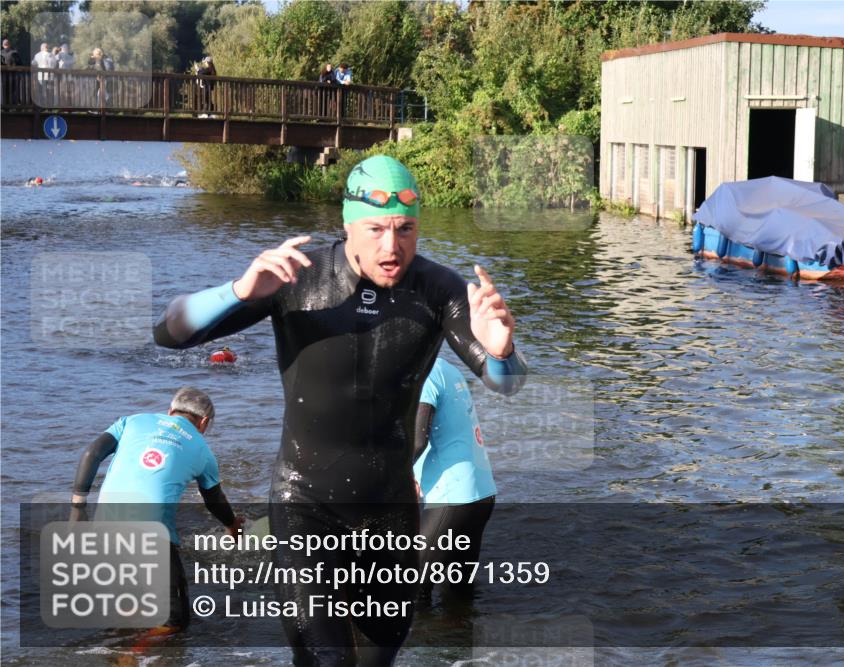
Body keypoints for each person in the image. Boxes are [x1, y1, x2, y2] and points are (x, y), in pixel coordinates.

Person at [154, 154, 527, 666]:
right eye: (375, 229)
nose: (392, 247)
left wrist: (502, 351)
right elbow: (169, 332)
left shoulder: (439, 290)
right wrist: (239, 291)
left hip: (389, 515)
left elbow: (507, 383)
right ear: (348, 223)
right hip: (305, 503)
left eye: (406, 229)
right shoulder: (295, 279)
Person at [70, 387, 244, 633]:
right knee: (174, 621)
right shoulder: (203, 450)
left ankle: (122, 650)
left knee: (128, 608)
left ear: (171, 410)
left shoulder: (131, 421)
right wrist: (232, 525)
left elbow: (92, 453)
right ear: (204, 422)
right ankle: (130, 655)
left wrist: (78, 509)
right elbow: (214, 499)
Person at [413, 357, 497, 600]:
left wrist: (396, 477)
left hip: (452, 498)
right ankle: (460, 635)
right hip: (481, 493)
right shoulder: (444, 366)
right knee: (459, 595)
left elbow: (418, 439)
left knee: (409, 589)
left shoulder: (423, 371)